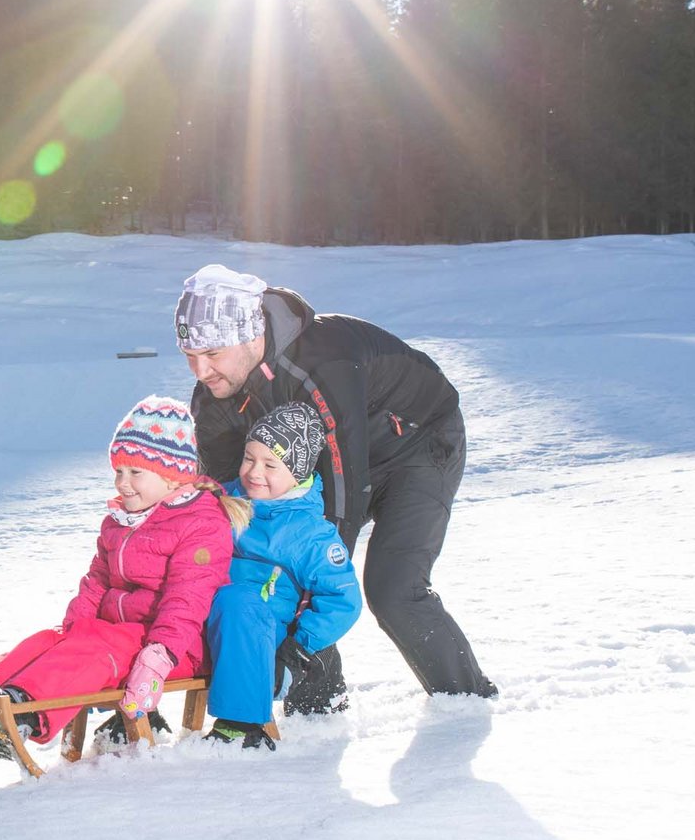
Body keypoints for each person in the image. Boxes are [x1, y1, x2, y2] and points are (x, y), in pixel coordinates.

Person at [175, 264, 497, 712]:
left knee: (392, 588)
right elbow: (226, 503)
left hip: (418, 446)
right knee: (271, 562)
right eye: (189, 353)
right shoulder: (215, 396)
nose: (199, 368)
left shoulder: (320, 361)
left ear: (250, 337)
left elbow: (347, 483)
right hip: (327, 463)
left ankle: (467, 702)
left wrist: (312, 569)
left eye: (211, 352)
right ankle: (318, 705)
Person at [0, 396, 242, 760]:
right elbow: (97, 580)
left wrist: (157, 658)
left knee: (95, 650)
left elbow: (188, 601)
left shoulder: (201, 523)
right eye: (118, 471)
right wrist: (74, 626)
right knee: (54, 639)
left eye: (135, 473)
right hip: (113, 633)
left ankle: (23, 707)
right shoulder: (121, 520)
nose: (122, 484)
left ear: (173, 475)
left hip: (171, 647)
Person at [202, 401, 362, 749]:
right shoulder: (223, 500)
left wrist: (298, 650)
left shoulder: (308, 533)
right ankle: (135, 711)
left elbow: (343, 599)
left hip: (263, 634)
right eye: (249, 458)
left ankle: (241, 724)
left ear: (298, 473)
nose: (254, 472)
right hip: (205, 619)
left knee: (236, 598)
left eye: (270, 464)